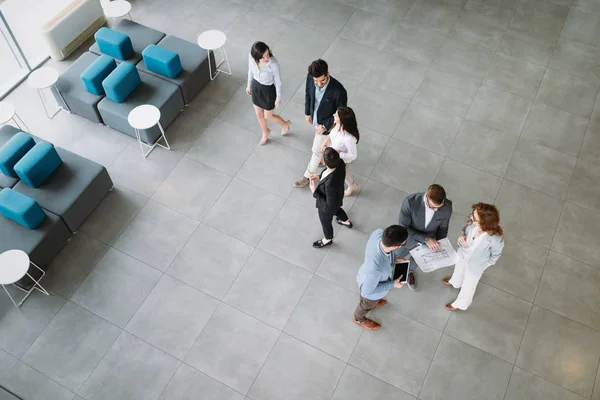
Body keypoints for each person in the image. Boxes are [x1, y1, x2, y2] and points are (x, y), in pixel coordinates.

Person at [294, 59, 348, 188]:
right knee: (324, 147)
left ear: (328, 74)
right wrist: (308, 112)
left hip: (327, 126)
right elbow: (308, 94)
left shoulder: (339, 91)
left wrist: (324, 127)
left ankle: (307, 176)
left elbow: (340, 113)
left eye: (322, 81)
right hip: (316, 120)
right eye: (316, 81)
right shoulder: (310, 76)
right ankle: (326, 158)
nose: (319, 84)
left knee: (316, 150)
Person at [443, 203, 504, 311]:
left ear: (484, 223)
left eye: (475, 218)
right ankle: (455, 282)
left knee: (468, 286)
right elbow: (464, 228)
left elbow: (495, 255)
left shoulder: (495, 239)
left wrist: (483, 266)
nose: (471, 218)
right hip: (462, 254)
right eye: (472, 214)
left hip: (476, 265)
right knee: (459, 270)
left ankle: (460, 304)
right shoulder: (473, 224)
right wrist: (462, 235)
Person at [398, 184, 453, 290]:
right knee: (396, 256)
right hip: (407, 239)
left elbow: (443, 229)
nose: (436, 210)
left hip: (428, 244)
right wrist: (426, 239)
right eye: (433, 207)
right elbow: (404, 227)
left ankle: (408, 272)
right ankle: (388, 275)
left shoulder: (447, 206)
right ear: (426, 196)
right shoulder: (410, 202)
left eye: (439, 207)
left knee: (416, 262)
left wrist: (439, 243)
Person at [354, 225, 409, 330]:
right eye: (403, 243)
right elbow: (367, 292)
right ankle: (358, 318)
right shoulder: (376, 268)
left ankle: (374, 303)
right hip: (369, 289)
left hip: (368, 273)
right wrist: (393, 284)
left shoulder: (378, 232)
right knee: (366, 305)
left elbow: (386, 253)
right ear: (396, 246)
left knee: (372, 301)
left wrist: (394, 259)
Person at [246, 41, 291, 145]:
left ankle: (285, 124)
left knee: (268, 116)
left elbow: (278, 81)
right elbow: (250, 70)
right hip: (256, 86)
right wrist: (248, 85)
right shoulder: (251, 57)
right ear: (256, 57)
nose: (266, 58)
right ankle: (265, 132)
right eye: (263, 57)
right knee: (259, 114)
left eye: (267, 54)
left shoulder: (273, 63)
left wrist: (278, 98)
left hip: (268, 90)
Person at [309, 148, 352, 248]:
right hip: (338, 196)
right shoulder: (341, 163)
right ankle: (345, 221)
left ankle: (328, 239)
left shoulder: (329, 185)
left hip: (327, 207)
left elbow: (329, 204)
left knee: (325, 222)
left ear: (324, 162)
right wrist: (320, 176)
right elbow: (330, 173)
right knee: (337, 209)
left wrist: (314, 191)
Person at [320, 106, 359, 196]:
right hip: (333, 156)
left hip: (342, 161)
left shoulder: (349, 138)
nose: (334, 115)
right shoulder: (336, 125)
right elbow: (331, 135)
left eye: (336, 115)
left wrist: (337, 154)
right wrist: (325, 142)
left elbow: (353, 155)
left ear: (342, 120)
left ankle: (351, 185)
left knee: (345, 174)